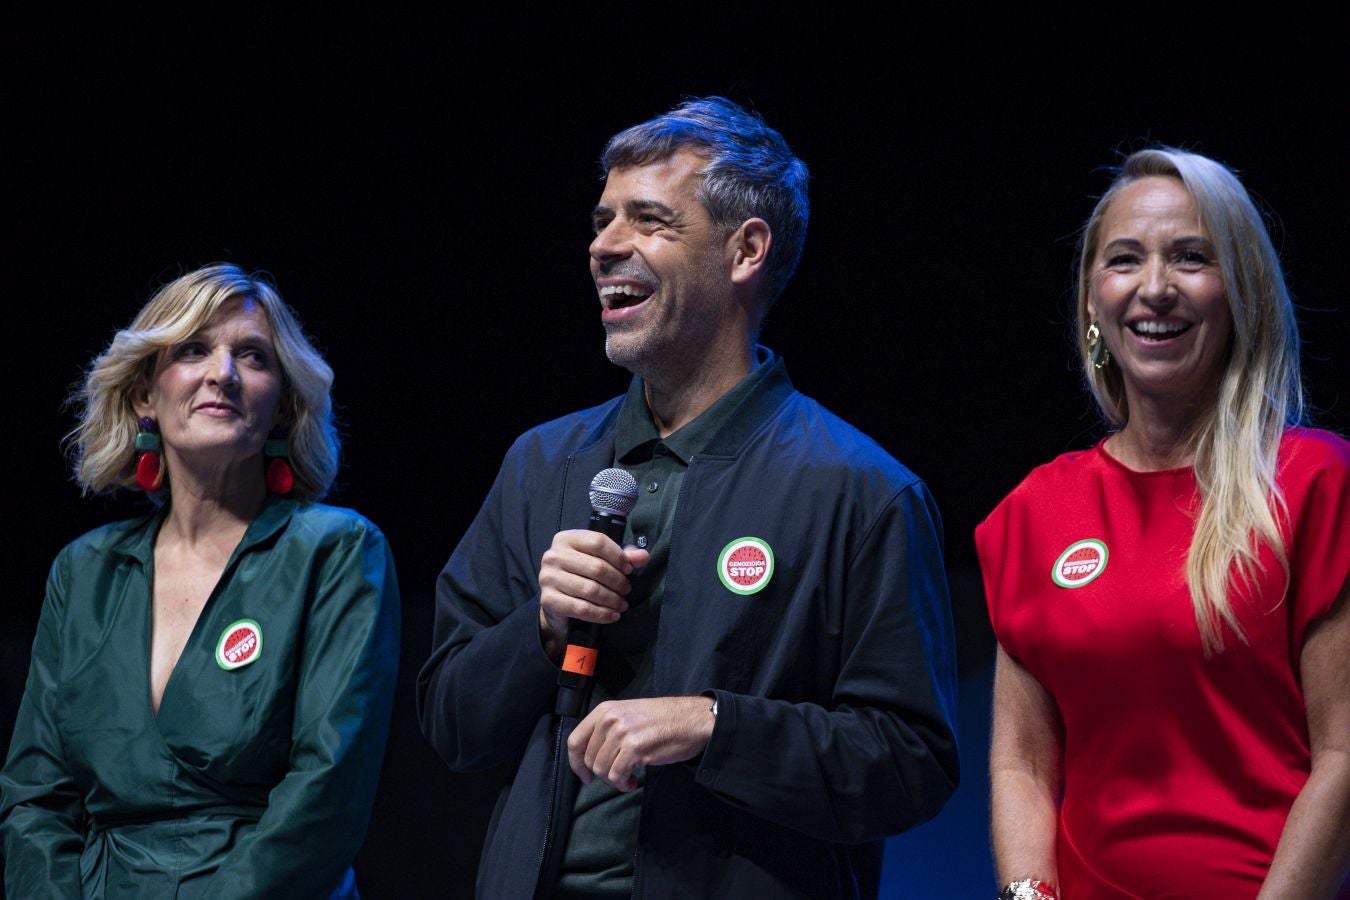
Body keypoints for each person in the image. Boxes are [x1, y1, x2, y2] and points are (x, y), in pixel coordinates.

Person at [417, 97, 959, 899]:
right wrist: (538, 628)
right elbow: (449, 723)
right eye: (602, 220)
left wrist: (715, 725)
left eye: (648, 220)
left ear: (745, 251)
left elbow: (911, 764)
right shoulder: (544, 464)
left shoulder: (861, 489)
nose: (603, 246)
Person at [977, 148, 1350, 899]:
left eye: (1190, 258)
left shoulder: (1314, 482)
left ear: (1240, 288)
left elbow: (1343, 752)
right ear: (1091, 298)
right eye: (1124, 260)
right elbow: (1020, 762)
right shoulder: (1035, 511)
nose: (1155, 289)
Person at [0, 264, 401, 898]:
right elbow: (34, 800)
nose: (223, 373)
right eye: (192, 350)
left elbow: (327, 790)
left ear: (282, 407)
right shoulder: (83, 571)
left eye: (252, 355)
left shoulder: (336, 549)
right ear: (143, 396)